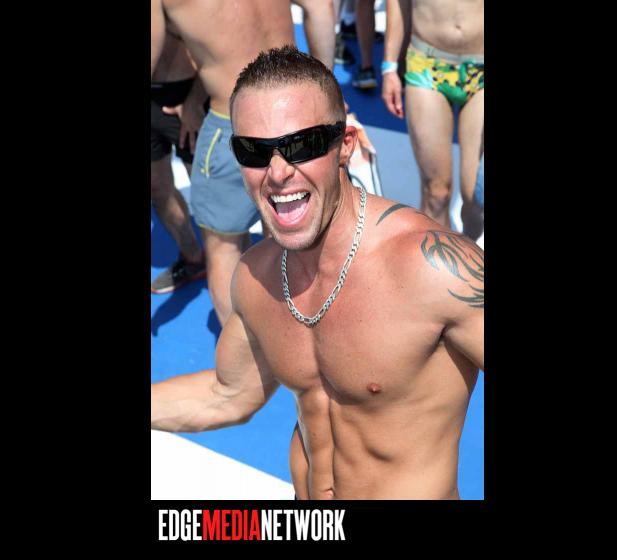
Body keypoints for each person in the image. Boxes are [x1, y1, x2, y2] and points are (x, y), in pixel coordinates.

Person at [151, 46, 484, 500]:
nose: (277, 172)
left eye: (301, 146)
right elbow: (227, 394)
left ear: (344, 145)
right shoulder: (258, 275)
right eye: (254, 151)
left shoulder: (434, 269)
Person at [151, 0, 310, 326]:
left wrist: (194, 96)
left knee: (225, 242)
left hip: (220, 109)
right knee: (286, 230)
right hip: (284, 108)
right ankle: (289, 328)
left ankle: (250, 340)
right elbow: (319, 11)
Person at [381, 0, 484, 240]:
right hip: (426, 65)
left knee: (477, 200)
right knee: (436, 193)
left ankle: (465, 252)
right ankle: (438, 260)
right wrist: (389, 66)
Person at [151, 31, 207, 294]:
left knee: (211, 192)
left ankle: (239, 266)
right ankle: (193, 258)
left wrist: (196, 99)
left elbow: (216, 39)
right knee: (157, 188)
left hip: (186, 91)